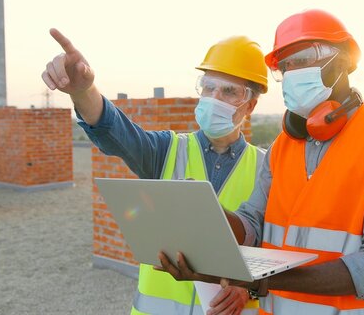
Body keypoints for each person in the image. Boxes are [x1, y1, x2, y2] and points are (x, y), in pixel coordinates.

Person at [157, 9, 364, 314]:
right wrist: (209, 213)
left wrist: (261, 280)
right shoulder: (282, 147)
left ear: (341, 63)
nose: (290, 73)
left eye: (300, 60)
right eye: (284, 67)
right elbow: (253, 226)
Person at [41, 29, 269, 315]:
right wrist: (83, 91)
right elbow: (116, 131)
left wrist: (247, 286)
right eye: (208, 87)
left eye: (228, 91)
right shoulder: (167, 150)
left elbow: (274, 250)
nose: (214, 98)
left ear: (250, 104)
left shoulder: (267, 168)